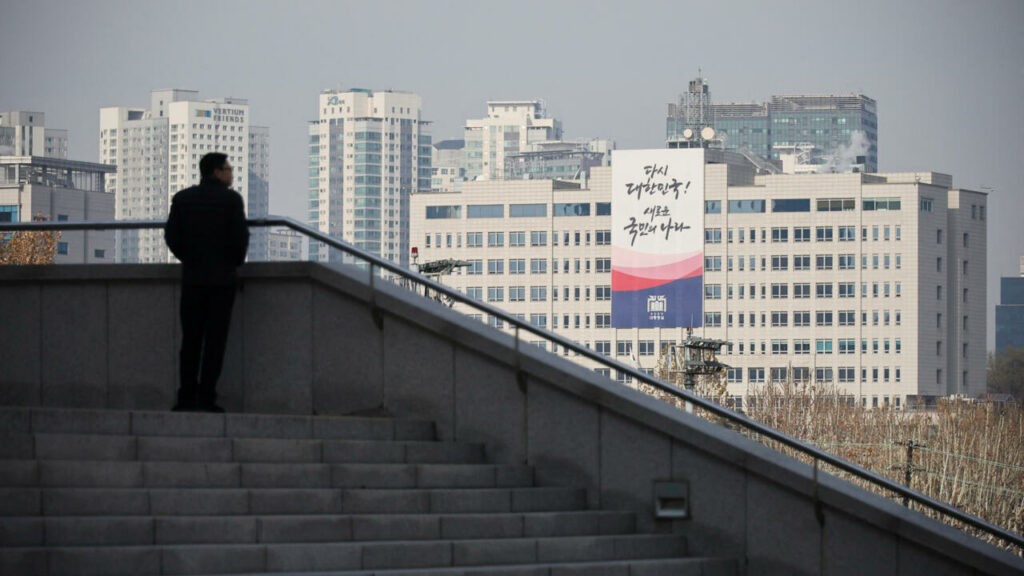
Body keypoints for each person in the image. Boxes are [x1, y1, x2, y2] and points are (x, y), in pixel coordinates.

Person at [165, 152, 249, 412]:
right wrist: (231, 263)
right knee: (215, 342)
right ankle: (206, 397)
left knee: (190, 341)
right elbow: (240, 240)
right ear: (216, 171)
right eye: (228, 169)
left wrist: (189, 258)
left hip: (192, 280)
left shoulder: (182, 199)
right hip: (222, 282)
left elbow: (171, 236)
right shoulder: (232, 201)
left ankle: (185, 397)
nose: (231, 173)